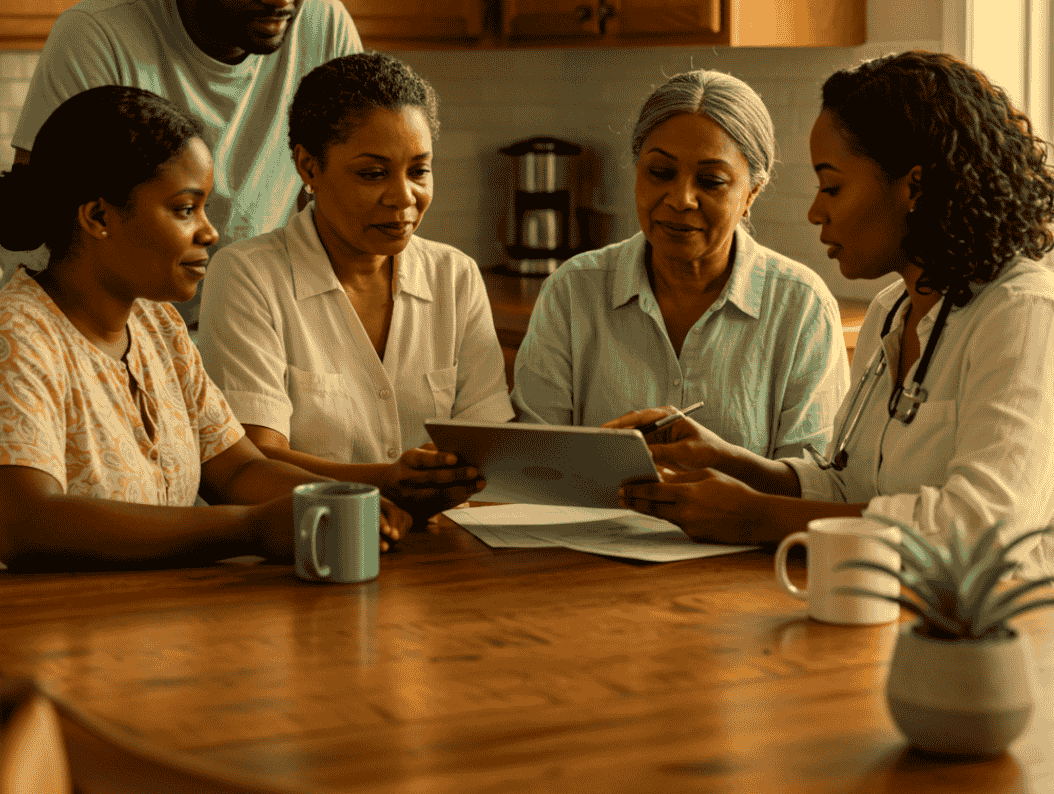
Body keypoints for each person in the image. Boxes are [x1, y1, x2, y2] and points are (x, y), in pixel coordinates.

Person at [618, 52, 1054, 578]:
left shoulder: (1025, 315)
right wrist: (727, 461)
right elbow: (853, 490)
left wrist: (757, 516)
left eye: (832, 186)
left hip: (990, 641)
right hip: (881, 613)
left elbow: (980, 527)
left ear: (913, 187)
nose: (815, 211)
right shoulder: (892, 312)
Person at [0, 86, 410, 572]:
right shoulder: (11, 333)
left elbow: (240, 468)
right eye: (185, 209)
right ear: (98, 216)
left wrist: (350, 500)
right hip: (29, 635)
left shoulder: (157, 325)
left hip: (149, 630)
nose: (209, 231)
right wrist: (251, 528)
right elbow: (25, 524)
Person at [2, 0, 362, 326]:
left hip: (258, 325)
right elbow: (37, 218)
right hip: (119, 331)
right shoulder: (98, 34)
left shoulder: (325, 27)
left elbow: (345, 198)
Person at [198, 53, 513, 521]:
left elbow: (492, 452)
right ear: (309, 167)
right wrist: (386, 481)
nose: (404, 197)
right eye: (373, 173)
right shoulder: (249, 274)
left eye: (419, 170)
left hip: (442, 552)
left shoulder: (455, 276)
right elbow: (252, 463)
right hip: (305, 552)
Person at [511, 70, 849, 461]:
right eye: (660, 173)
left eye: (710, 181)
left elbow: (809, 481)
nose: (681, 199)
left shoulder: (801, 306)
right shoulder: (572, 290)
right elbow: (535, 462)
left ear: (751, 192)